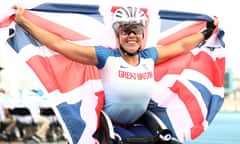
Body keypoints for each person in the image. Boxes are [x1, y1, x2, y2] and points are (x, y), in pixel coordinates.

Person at [14, 6, 217, 141]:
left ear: (142, 34)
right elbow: (59, 45)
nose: (131, 35)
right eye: (125, 30)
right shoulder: (105, 56)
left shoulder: (149, 56)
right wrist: (23, 21)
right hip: (109, 126)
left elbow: (181, 45)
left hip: (141, 122)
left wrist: (206, 32)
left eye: (135, 30)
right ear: (118, 34)